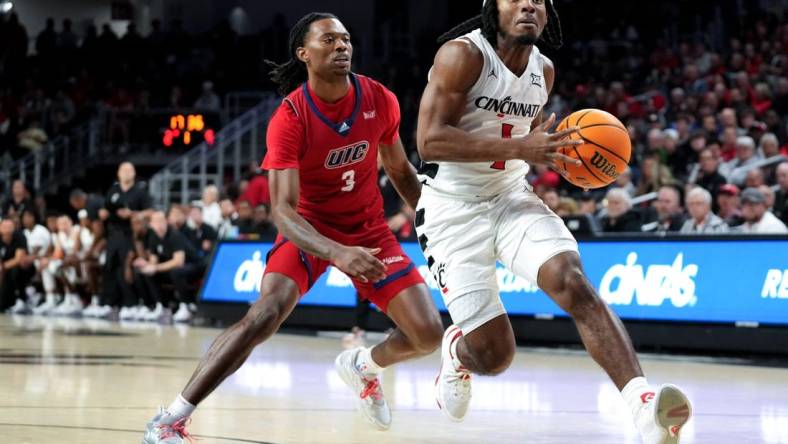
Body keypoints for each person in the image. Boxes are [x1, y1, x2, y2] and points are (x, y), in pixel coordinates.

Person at [142, 13, 443, 442]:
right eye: (329, 40)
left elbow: (400, 171)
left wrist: (432, 223)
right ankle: (169, 419)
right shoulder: (290, 117)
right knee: (263, 316)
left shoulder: (379, 98)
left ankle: (364, 366)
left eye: (346, 38)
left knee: (428, 334)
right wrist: (335, 251)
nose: (343, 46)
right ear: (304, 54)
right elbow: (281, 211)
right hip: (308, 229)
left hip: (369, 230)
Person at [415, 1, 691, 443]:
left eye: (539, 0)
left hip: (510, 197)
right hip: (452, 210)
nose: (528, 4)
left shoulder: (543, 71)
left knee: (573, 282)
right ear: (493, 8)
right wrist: (524, 150)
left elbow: (524, 138)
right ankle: (457, 350)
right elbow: (429, 141)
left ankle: (642, 408)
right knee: (493, 356)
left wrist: (562, 158)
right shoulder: (463, 55)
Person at [99, 162, 153, 319]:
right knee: (110, 267)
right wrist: (104, 213)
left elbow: (150, 211)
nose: (127, 172)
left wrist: (133, 214)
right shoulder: (113, 190)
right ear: (118, 173)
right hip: (113, 235)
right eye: (124, 170)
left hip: (130, 235)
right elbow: (106, 208)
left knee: (126, 268)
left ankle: (130, 303)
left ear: (134, 173)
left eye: (130, 170)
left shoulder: (140, 191)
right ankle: (110, 303)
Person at [134, 211, 203, 323]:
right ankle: (161, 306)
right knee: (146, 272)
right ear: (151, 224)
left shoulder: (174, 235)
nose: (159, 224)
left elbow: (178, 261)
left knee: (176, 272)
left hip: (194, 266)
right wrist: (147, 265)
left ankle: (185, 306)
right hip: (174, 268)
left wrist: (156, 267)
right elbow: (153, 260)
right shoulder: (154, 237)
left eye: (161, 221)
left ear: (166, 221)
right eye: (156, 221)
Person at [0, 219, 30, 313]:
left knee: (17, 269)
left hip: (20, 268)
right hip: (4, 269)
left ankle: (22, 298)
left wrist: (2, 267)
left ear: (14, 227)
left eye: (10, 227)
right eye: (5, 227)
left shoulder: (20, 236)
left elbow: (18, 259)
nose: (7, 230)